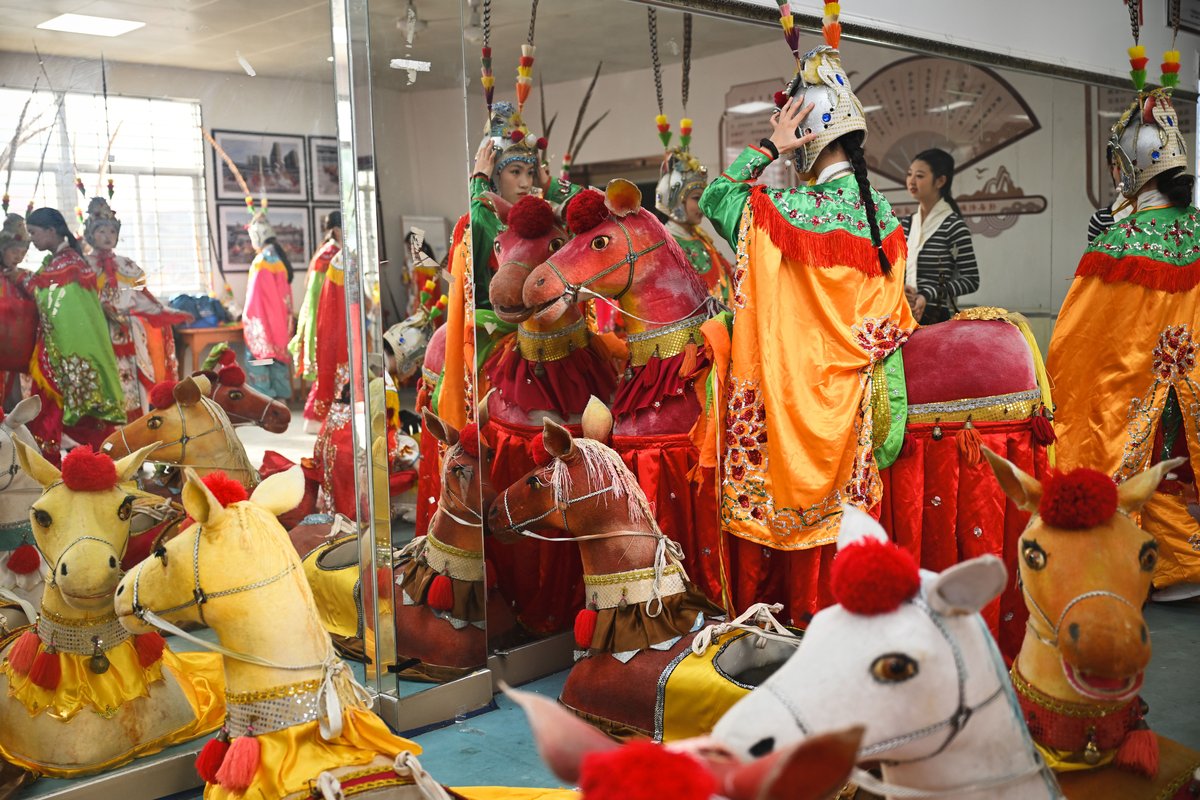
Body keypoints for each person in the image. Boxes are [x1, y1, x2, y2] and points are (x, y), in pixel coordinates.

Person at [698, 8, 915, 619]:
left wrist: (767, 147)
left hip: (785, 398)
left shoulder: (777, 212)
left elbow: (715, 198)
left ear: (807, 138)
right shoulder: (888, 224)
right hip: (851, 409)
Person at [1047, 56, 1200, 601]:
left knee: (1131, 452)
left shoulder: (1121, 242)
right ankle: (1183, 562)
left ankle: (1137, 564)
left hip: (1136, 388)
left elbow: (1079, 345)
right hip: (1188, 390)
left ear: (1131, 170)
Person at [11, 207, 124, 463]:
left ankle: (68, 472)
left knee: (61, 417)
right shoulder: (59, 261)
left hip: (68, 354)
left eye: (35, 233)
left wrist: (21, 278)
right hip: (63, 351)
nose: (33, 239)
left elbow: (53, 300)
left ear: (51, 231)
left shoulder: (68, 263)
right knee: (67, 420)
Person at [83, 197, 190, 419]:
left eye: (112, 232)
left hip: (129, 331)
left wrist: (168, 313)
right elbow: (80, 303)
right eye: (101, 231)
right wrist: (100, 309)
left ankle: (136, 430)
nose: (107, 237)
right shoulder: (82, 266)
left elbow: (143, 299)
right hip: (98, 334)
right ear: (90, 234)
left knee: (135, 382)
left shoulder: (127, 265)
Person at [900, 148, 979, 324]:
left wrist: (928, 294)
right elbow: (893, 271)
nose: (911, 181)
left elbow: (972, 280)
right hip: (905, 316)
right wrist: (900, 288)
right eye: (909, 174)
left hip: (939, 319)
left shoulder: (954, 226)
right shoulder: (905, 225)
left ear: (940, 181)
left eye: (919, 176)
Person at [656, 147, 731, 303]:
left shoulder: (701, 238)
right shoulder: (664, 245)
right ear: (676, 201)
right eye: (697, 199)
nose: (703, 206)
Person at [291, 210, 342, 431]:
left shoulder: (330, 253)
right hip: (330, 318)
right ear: (337, 230)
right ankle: (317, 417)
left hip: (335, 317)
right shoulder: (330, 255)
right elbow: (318, 296)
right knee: (330, 367)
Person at [242, 208, 295, 401]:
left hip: (263, 322)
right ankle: (280, 400)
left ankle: (264, 401)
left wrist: (246, 319)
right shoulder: (280, 261)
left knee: (258, 362)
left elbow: (255, 300)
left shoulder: (261, 262)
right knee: (277, 361)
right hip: (280, 323)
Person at [0, 214, 33, 410]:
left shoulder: (26, 277)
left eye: (22, 253)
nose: (18, 257)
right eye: (14, 251)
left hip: (19, 355)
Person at [1086, 144, 1129, 243]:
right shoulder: (1100, 220)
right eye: (1117, 165)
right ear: (1111, 170)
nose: (1125, 172)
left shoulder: (1164, 213)